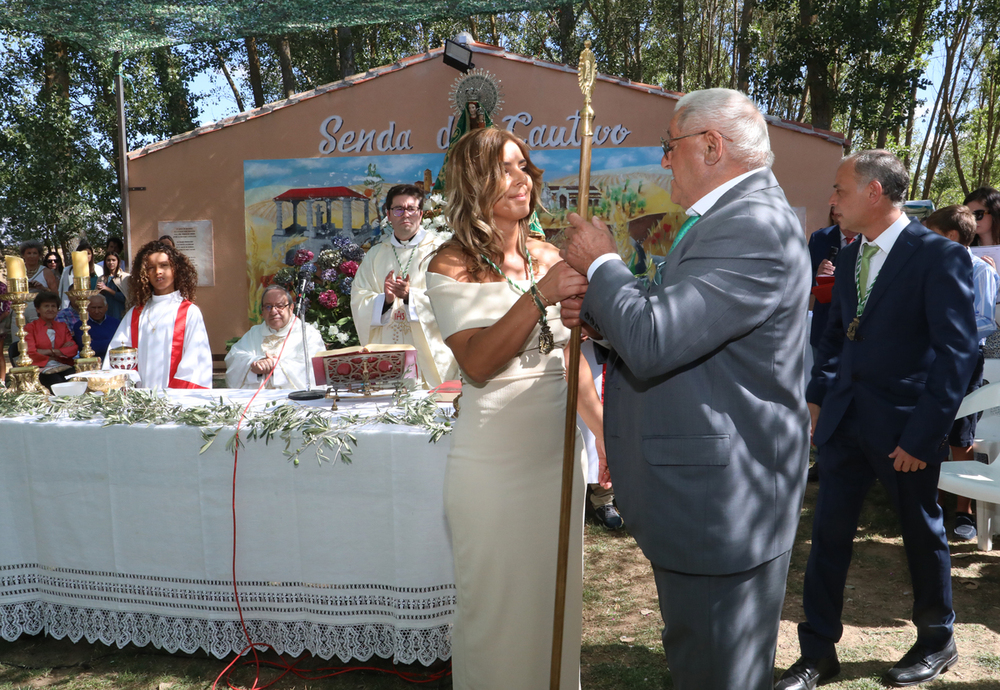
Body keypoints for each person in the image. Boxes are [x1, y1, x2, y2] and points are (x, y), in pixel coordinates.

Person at [560, 87, 810, 690]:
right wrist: (604, 316)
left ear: (712, 145)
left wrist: (601, 265)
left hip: (720, 504)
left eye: (669, 147)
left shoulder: (750, 224)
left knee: (715, 672)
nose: (665, 161)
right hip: (709, 496)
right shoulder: (732, 219)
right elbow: (685, 327)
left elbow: (656, 338)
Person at [779, 151, 978, 690]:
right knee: (827, 540)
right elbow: (833, 335)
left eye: (840, 190)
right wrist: (818, 400)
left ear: (874, 193)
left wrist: (922, 434)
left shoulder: (939, 257)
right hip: (844, 424)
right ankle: (817, 652)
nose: (832, 199)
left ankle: (938, 640)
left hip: (906, 432)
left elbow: (959, 355)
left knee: (921, 534)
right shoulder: (847, 256)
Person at [424, 127, 594, 689]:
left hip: (556, 459)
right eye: (503, 168)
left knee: (554, 603)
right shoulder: (449, 265)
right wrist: (541, 295)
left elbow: (575, 362)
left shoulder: (551, 256)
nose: (520, 178)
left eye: (523, 165)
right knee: (494, 610)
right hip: (491, 464)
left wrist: (606, 433)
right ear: (473, 183)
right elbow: (476, 362)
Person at [924, 205, 998, 541]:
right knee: (931, 428)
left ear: (952, 236)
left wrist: (945, 332)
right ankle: (932, 503)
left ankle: (963, 510)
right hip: (929, 359)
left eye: (932, 233)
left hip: (964, 361)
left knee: (960, 434)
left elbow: (985, 321)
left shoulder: (979, 270)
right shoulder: (928, 267)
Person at [351, 184, 458, 388]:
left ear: (421, 213)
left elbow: (452, 299)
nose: (405, 215)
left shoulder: (440, 252)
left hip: (428, 355)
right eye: (398, 209)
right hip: (387, 351)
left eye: (411, 209)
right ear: (388, 215)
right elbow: (358, 298)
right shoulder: (375, 255)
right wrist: (385, 301)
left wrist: (411, 297)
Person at [105, 241, 212, 389]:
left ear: (176, 268)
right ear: (144, 274)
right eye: (151, 268)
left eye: (164, 265)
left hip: (175, 401)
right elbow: (118, 356)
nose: (158, 271)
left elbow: (195, 363)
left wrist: (172, 401)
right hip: (141, 402)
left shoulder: (189, 312)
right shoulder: (135, 314)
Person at [226, 285, 326, 389]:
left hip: (294, 400)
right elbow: (234, 357)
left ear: (291, 308)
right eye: (268, 306)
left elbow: (313, 369)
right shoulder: (254, 333)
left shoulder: (307, 334)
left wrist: (275, 365)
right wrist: (256, 362)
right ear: (262, 310)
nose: (274, 311)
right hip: (258, 400)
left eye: (280, 306)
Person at [808, 208, 859, 360]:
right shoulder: (820, 238)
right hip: (825, 328)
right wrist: (817, 276)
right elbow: (802, 279)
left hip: (859, 330)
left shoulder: (872, 238)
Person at [23, 291, 78, 389]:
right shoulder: (30, 328)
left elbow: (73, 349)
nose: (50, 309)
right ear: (38, 309)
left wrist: (49, 352)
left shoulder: (62, 326)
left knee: (76, 379)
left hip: (63, 365)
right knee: (57, 382)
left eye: (53, 306)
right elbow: (31, 353)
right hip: (40, 368)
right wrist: (60, 351)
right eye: (46, 306)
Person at [72, 294, 120, 361]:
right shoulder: (81, 325)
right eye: (93, 308)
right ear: (87, 308)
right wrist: (111, 342)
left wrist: (96, 343)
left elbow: (120, 344)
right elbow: (87, 347)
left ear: (106, 307)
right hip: (90, 362)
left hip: (113, 360)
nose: (96, 311)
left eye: (100, 307)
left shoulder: (116, 323)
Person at [58, 239, 103, 309]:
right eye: (82, 253)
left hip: (94, 307)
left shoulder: (99, 269)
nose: (86, 256)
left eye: (88, 253)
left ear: (91, 255)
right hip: (74, 307)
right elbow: (62, 290)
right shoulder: (67, 270)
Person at [97, 251, 130, 320]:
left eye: (113, 260)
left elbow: (126, 298)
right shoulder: (101, 278)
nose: (111, 262)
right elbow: (96, 298)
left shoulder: (125, 277)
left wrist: (107, 289)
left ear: (118, 262)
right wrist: (100, 292)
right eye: (108, 260)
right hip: (106, 313)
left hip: (120, 313)